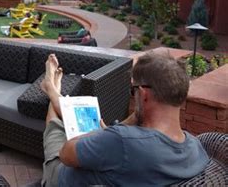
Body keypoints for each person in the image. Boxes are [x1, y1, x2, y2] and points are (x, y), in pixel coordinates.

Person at [40, 52, 209, 187]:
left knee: (55, 127)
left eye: (133, 90)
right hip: (111, 167)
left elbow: (65, 154)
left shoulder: (123, 140)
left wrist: (103, 133)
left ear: (143, 94)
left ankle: (51, 89)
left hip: (62, 176)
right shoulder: (196, 148)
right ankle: (53, 90)